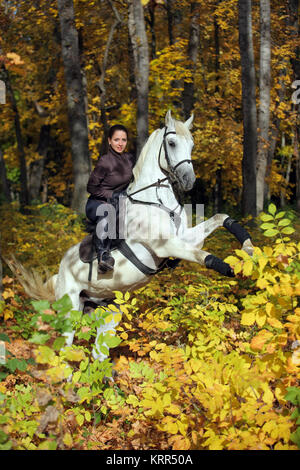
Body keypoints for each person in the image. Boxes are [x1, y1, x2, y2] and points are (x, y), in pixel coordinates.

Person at [86, 124, 135, 274]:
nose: (120, 144)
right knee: (108, 211)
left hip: (120, 203)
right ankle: (103, 255)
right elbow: (91, 188)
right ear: (109, 141)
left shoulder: (130, 159)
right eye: (116, 140)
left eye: (124, 140)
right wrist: (112, 195)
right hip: (97, 204)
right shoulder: (105, 161)